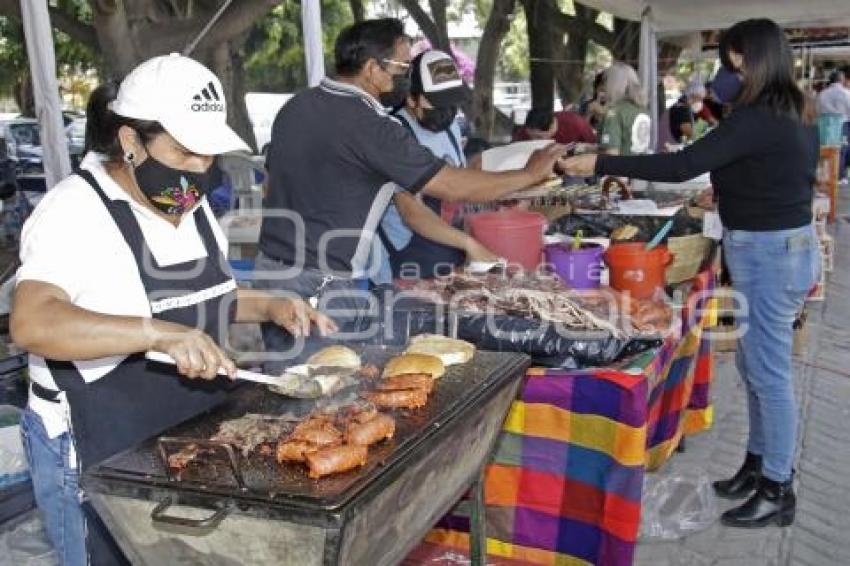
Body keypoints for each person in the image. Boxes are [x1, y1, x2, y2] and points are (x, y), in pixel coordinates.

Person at [10, 54, 336, 565]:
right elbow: (34, 321)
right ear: (130, 142)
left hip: (187, 430)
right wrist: (157, 335)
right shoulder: (73, 211)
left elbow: (203, 301)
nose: (199, 170)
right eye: (185, 153)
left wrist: (270, 305)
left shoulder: (190, 205)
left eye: (208, 156)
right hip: (101, 446)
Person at [562, 19, 821, 529]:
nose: (725, 72)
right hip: (774, 246)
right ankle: (757, 465)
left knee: (769, 374)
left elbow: (681, 166)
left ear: (754, 59)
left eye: (731, 62)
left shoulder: (757, 117)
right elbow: (776, 173)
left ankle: (778, 488)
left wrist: (599, 162)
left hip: (770, 254)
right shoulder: (790, 108)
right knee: (755, 367)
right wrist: (728, 191)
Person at [258, 18, 563, 369]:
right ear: (373, 69)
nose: (403, 76)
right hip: (319, 284)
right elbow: (450, 185)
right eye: (401, 67)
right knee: (321, 393)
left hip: (271, 272)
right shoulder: (372, 126)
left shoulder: (296, 106)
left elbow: (270, 186)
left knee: (290, 381)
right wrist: (529, 172)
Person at [372, 50, 498, 283]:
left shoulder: (451, 127)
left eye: (451, 103)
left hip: (450, 244)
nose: (446, 112)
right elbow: (413, 213)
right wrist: (469, 243)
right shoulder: (394, 133)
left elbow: (456, 182)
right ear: (412, 98)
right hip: (409, 256)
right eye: (438, 104)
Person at [597, 62, 651, 155]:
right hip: (642, 166)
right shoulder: (643, 110)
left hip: (620, 168)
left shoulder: (614, 113)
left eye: (606, 81)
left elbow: (611, 153)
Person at [816, 69, 850, 180]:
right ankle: (840, 176)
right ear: (841, 79)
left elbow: (817, 110)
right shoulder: (846, 93)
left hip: (824, 125)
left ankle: (826, 176)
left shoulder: (822, 93)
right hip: (842, 125)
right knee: (841, 150)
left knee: (826, 150)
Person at [512, 107, 597, 145]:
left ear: (552, 126)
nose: (534, 140)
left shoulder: (576, 124)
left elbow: (594, 148)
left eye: (539, 137)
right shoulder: (525, 132)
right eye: (531, 136)